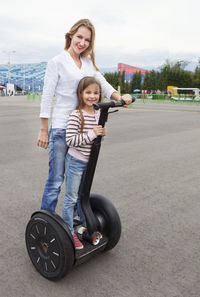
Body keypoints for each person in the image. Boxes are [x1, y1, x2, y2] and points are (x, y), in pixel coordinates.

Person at [37, 18, 132, 212]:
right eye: (79, 37)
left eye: (87, 40)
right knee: (56, 180)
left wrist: (119, 97)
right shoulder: (56, 62)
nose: (82, 42)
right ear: (71, 35)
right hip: (62, 128)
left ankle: (76, 222)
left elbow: (103, 83)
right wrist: (43, 130)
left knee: (79, 179)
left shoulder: (88, 63)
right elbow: (47, 97)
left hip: (85, 129)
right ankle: (46, 222)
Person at [63, 76, 104, 249]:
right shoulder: (76, 114)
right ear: (81, 94)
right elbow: (70, 140)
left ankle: (83, 227)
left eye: (96, 92)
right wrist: (93, 134)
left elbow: (95, 135)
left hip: (89, 162)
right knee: (71, 198)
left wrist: (100, 133)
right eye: (88, 92)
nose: (92, 96)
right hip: (75, 162)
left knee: (82, 196)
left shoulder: (98, 113)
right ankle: (68, 232)